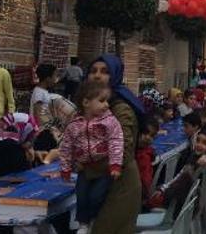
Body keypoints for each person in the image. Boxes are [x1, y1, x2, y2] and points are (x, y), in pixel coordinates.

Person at [85, 54, 146, 234]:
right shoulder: (93, 105)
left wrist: (85, 165)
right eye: (93, 71)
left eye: (104, 72)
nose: (97, 76)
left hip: (121, 186)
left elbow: (122, 152)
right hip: (101, 182)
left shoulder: (121, 108)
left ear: (115, 76)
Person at [59, 80, 124, 234]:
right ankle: (83, 224)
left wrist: (115, 164)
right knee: (81, 196)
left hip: (103, 167)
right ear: (86, 102)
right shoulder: (74, 124)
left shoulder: (110, 121)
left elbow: (116, 141)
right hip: (84, 168)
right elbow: (66, 146)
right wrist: (66, 168)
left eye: (107, 100)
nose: (107, 105)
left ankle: (94, 220)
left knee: (96, 196)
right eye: (101, 101)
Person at [147, 128, 206, 213]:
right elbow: (179, 176)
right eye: (198, 141)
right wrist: (163, 188)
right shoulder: (192, 158)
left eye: (205, 143)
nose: (199, 144)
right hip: (187, 200)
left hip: (183, 204)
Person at [136, 118, 160, 207]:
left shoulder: (145, 157)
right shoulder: (144, 153)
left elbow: (145, 182)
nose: (148, 138)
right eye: (145, 133)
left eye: (152, 136)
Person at [30, 63, 57, 129]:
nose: (56, 79)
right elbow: (38, 114)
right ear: (48, 78)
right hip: (40, 129)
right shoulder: (39, 93)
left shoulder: (42, 91)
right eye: (55, 76)